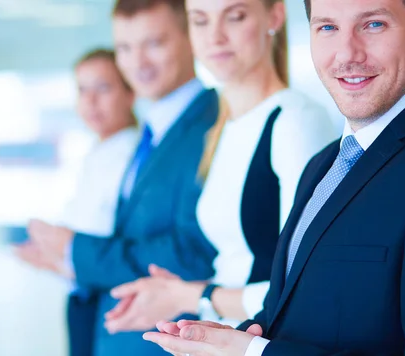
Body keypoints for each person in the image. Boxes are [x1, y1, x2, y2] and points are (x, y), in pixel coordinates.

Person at [144, 0, 405, 354]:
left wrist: (253, 352)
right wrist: (228, 338)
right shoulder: (324, 165)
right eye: (327, 28)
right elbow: (291, 310)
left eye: (373, 25)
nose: (347, 53)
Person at [104, 0, 337, 333]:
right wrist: (173, 293)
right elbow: (238, 264)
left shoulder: (294, 121)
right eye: (200, 21)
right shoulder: (223, 127)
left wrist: (191, 295)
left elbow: (308, 287)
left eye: (235, 17)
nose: (215, 37)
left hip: (261, 340)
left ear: (274, 15)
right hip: (221, 339)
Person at [17, 0, 220, 355]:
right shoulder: (152, 132)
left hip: (169, 339)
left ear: (190, 37)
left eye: (154, 44)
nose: (137, 63)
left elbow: (194, 252)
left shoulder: (214, 125)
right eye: (125, 48)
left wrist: (73, 250)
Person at [16, 48, 139, 356]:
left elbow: (115, 242)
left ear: (130, 92)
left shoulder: (135, 156)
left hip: (108, 299)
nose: (90, 102)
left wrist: (64, 256)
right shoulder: (96, 151)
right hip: (82, 293)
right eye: (83, 90)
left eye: (103, 88)